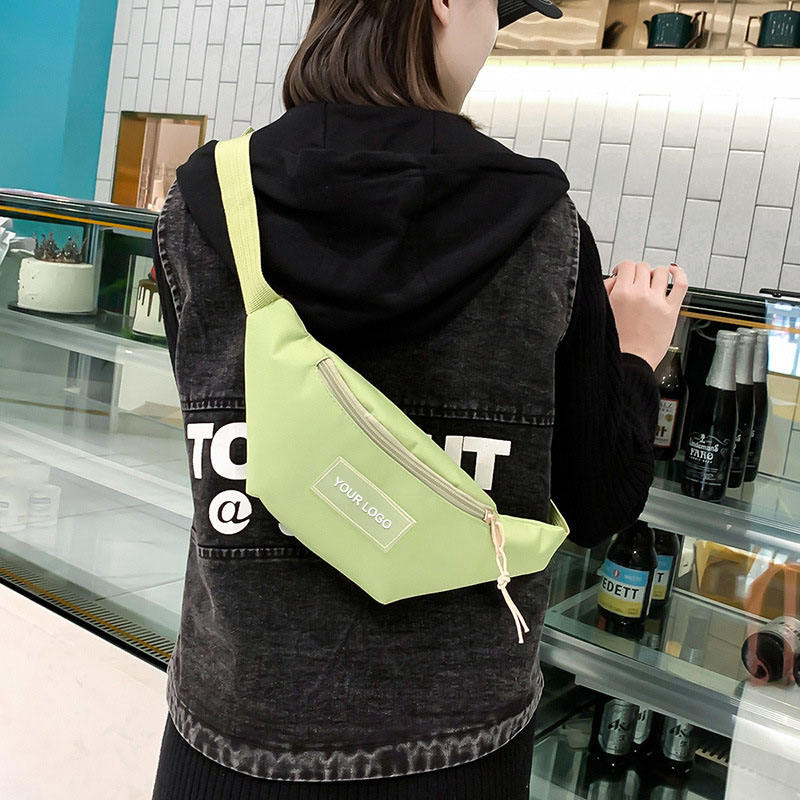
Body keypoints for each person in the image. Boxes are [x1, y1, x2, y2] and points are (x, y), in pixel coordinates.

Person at [149, 0, 688, 797]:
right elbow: (597, 499)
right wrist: (635, 356)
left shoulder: (203, 204)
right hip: (457, 751)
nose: (492, 33)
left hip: (230, 737)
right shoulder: (542, 229)